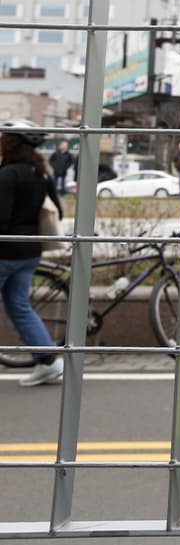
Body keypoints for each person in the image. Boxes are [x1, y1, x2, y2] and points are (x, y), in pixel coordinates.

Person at [0, 118, 64, 387]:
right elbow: (58, 211)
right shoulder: (40, 172)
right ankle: (48, 361)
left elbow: (1, 218)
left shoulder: (8, 174)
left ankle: (48, 361)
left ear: (11, 143)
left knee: (20, 306)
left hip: (5, 252)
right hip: (30, 252)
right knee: (20, 307)